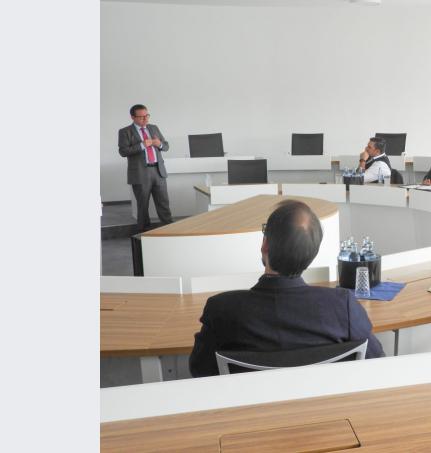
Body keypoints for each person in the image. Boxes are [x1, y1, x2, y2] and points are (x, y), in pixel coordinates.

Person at [189, 200, 385, 377]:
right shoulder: (343, 306)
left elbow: (199, 370)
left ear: (265, 245)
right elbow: (376, 359)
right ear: (312, 254)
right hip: (324, 405)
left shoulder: (222, 310)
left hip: (252, 406)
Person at [118, 104, 173, 232]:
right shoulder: (125, 131)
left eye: (147, 115)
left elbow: (166, 146)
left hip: (158, 171)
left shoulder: (154, 128)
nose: (145, 119)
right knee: (143, 206)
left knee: (164, 204)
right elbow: (123, 151)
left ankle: (170, 231)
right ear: (132, 117)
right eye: (141, 117)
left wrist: (159, 144)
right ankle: (144, 234)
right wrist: (142, 145)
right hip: (140, 174)